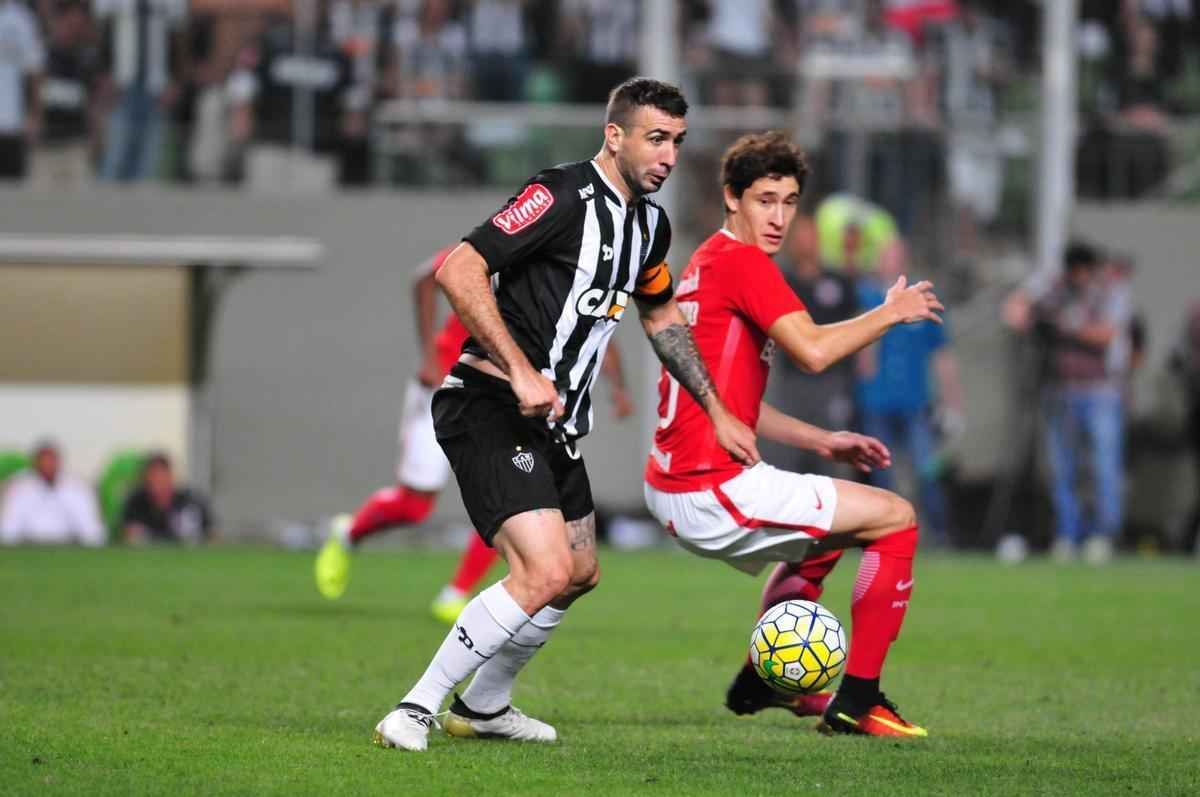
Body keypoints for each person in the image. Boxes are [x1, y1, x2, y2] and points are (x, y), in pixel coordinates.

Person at [373, 77, 758, 752]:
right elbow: (459, 270)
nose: (669, 155)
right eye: (656, 138)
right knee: (544, 570)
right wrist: (522, 369)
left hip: (556, 426)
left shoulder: (650, 226)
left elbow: (661, 315)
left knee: (578, 573)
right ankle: (414, 707)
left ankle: (486, 705)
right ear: (615, 135)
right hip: (489, 401)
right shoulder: (560, 195)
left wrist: (716, 408)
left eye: (678, 141)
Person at [643, 131, 943, 738]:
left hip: (677, 481)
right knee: (897, 517)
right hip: (710, 484)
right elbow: (810, 351)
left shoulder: (706, 262)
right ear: (732, 198)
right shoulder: (743, 263)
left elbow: (730, 402)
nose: (778, 217)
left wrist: (823, 441)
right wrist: (891, 311)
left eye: (789, 201)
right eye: (764, 200)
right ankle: (860, 701)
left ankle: (766, 679)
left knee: (830, 536)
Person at [314, 244, 635, 623]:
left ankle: (456, 593)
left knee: (517, 497)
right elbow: (426, 278)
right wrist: (430, 357)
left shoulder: (569, 271)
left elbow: (594, 326)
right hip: (448, 385)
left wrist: (618, 388)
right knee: (415, 505)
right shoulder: (509, 242)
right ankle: (348, 533)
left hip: (508, 396)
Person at [1004, 243, 1131, 563]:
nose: (1079, 279)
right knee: (1063, 469)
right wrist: (1035, 298)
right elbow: (1014, 314)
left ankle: (1103, 535)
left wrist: (1067, 326)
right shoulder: (1056, 290)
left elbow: (1106, 335)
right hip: (1059, 390)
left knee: (1103, 467)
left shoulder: (1108, 292)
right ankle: (1068, 533)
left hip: (1100, 391)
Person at [856, 237, 964, 545]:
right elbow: (859, 348)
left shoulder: (921, 299)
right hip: (877, 401)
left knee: (926, 469)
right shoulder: (866, 298)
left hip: (916, 402)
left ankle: (939, 535)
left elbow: (942, 355)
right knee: (882, 475)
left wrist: (952, 401)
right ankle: (880, 537)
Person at [761, 214, 860, 478]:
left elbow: (855, 328)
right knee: (787, 455)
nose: (807, 243)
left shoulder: (839, 282)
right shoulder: (782, 281)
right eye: (801, 237)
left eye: (811, 236)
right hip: (793, 381)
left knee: (834, 454)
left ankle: (837, 515)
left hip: (832, 381)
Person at [0, 439, 105, 546]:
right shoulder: (19, 488)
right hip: (28, 547)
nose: (47, 465)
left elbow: (92, 530)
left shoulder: (77, 488)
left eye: (51, 460)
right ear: (35, 463)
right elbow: (8, 528)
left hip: (69, 547)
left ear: (59, 462)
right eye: (43, 461)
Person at [120, 452, 213, 544]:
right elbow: (128, 535)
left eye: (162, 477)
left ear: (170, 476)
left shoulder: (191, 501)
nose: (158, 484)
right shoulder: (136, 503)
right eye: (153, 477)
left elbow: (212, 534)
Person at [0, 0, 44, 182]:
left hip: (12, 124)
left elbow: (34, 70)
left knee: (12, 196)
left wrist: (35, 115)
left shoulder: (21, 19)